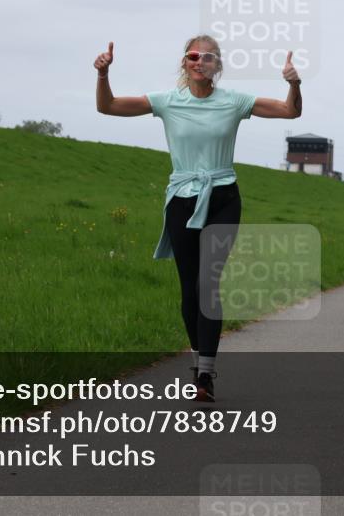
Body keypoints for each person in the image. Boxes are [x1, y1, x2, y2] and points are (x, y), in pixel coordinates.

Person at [94, 36, 302, 401]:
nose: (199, 61)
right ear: (184, 62)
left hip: (223, 197)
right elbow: (108, 107)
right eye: (193, 56)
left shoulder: (234, 101)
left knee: (208, 283)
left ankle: (205, 374)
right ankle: (198, 360)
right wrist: (102, 74)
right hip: (182, 199)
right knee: (189, 286)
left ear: (217, 65)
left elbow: (290, 112)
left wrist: (294, 84)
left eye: (208, 57)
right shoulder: (167, 101)